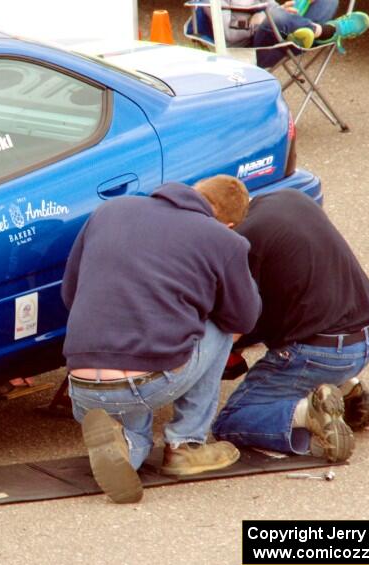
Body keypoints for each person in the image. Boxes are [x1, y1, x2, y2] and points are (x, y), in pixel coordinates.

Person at [62, 176, 261, 504]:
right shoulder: (223, 240)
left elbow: (70, 293)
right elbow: (244, 318)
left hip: (81, 383)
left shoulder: (109, 211)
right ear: (226, 223)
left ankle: (126, 446)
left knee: (135, 329)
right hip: (145, 383)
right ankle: (186, 444)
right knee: (221, 325)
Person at [212, 189, 369, 463]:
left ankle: (309, 413)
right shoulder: (288, 198)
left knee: (231, 421)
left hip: (322, 353)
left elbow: (238, 322)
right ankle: (349, 391)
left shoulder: (244, 242)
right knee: (297, 318)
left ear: (226, 226)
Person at [205, 0, 369, 68]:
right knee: (276, 17)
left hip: (279, 34)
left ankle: (306, 33)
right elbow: (227, 31)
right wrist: (264, 18)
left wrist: (285, 8)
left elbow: (269, 5)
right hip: (250, 50)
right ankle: (327, 31)